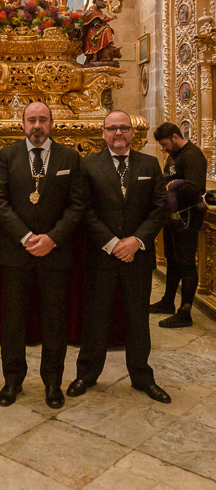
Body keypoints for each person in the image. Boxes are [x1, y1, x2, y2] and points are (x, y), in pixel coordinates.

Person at [68, 110, 171, 404]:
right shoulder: (88, 165)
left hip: (137, 256)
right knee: (96, 317)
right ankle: (87, 374)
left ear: (132, 132)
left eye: (123, 128)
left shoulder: (149, 164)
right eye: (112, 128)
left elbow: (159, 208)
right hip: (102, 256)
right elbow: (83, 209)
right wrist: (113, 243)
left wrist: (136, 241)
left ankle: (142, 376)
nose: (118, 133)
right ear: (103, 133)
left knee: (137, 319)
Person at [0, 101, 85, 408]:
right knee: (13, 321)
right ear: (23, 124)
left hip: (55, 253)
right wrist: (26, 236)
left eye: (43, 119)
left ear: (51, 124)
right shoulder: (8, 155)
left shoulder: (69, 156)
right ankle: (12, 381)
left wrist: (53, 238)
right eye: (31, 120)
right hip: (16, 252)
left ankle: (53, 383)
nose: (37, 126)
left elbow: (77, 204)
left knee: (54, 322)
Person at [151, 122, 207, 327]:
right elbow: (170, 179)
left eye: (165, 144)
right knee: (172, 259)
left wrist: (170, 189)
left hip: (187, 216)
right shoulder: (173, 154)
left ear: (175, 137)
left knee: (185, 263)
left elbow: (194, 187)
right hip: (171, 215)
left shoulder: (193, 155)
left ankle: (185, 312)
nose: (163, 148)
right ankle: (168, 302)